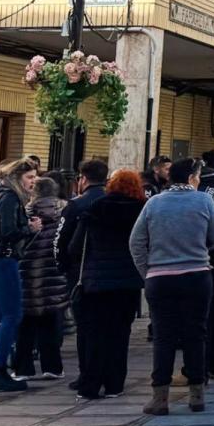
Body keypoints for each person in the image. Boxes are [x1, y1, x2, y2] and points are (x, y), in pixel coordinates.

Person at [130, 158, 214, 415]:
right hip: (197, 275)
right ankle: (196, 395)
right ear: (192, 177)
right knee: (196, 334)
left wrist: (147, 272)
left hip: (160, 278)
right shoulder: (203, 200)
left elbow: (136, 242)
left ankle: (160, 397)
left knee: (163, 337)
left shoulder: (154, 203)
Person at [58, 165, 144, 400]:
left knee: (95, 334)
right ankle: (115, 384)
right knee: (120, 334)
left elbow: (75, 246)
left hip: (96, 280)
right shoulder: (140, 210)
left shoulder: (97, 208)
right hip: (128, 282)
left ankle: (90, 385)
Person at [0, 159, 41, 393]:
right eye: (30, 177)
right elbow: (9, 231)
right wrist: (30, 229)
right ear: (17, 177)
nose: (34, 181)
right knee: (12, 315)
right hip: (2, 259)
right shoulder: (10, 197)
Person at [13, 177, 69, 380]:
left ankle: (23, 368)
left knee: (26, 323)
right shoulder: (65, 210)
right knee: (50, 320)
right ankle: (52, 366)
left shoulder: (26, 210)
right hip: (54, 273)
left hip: (28, 272)